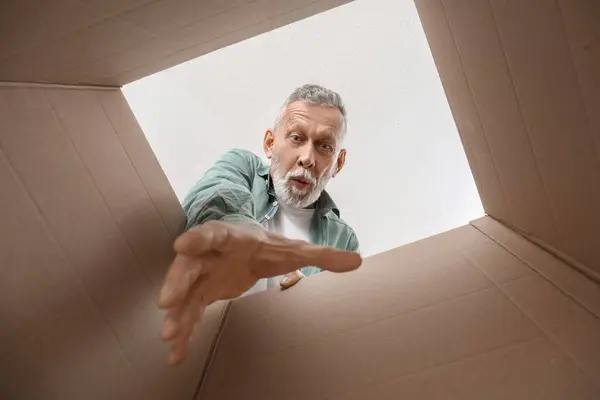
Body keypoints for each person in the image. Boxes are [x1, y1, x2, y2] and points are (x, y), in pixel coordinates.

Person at [157, 84, 362, 365]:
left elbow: (336, 330)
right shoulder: (242, 166)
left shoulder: (343, 242)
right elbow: (216, 193)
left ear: (337, 163)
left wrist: (307, 300)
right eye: (296, 138)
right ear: (270, 143)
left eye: (324, 146)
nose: (307, 158)